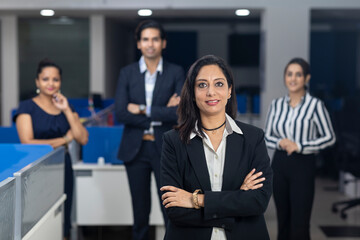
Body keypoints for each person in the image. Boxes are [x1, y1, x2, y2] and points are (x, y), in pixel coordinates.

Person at [160, 55, 273, 240]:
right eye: (202, 85)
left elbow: (258, 201)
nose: (211, 92)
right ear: (193, 93)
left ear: (229, 90)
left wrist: (197, 200)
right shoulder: (173, 142)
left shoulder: (253, 138)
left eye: (219, 84)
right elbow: (175, 211)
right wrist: (237, 199)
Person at [114, 20, 185, 240]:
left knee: (169, 208)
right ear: (138, 44)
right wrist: (161, 112)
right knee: (140, 211)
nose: (150, 44)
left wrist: (143, 109)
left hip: (166, 149)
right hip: (135, 150)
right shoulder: (127, 73)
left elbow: (179, 114)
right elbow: (121, 113)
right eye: (145, 39)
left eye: (155, 39)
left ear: (163, 43)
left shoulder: (175, 72)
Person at [13, 59, 89, 240]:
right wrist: (64, 139)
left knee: (62, 218)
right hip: (36, 171)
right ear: (37, 82)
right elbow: (27, 142)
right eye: (46, 79)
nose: (51, 84)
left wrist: (67, 111)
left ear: (60, 82)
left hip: (63, 168)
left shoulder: (66, 107)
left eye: (55, 80)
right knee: (38, 221)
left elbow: (83, 138)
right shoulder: (26, 107)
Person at [264, 57, 336, 240]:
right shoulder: (276, 105)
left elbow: (329, 137)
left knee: (300, 223)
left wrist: (300, 145)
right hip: (279, 165)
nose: (293, 78)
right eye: (289, 74)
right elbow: (267, 135)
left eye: (298, 74)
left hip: (303, 166)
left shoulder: (315, 106)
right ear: (285, 77)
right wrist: (281, 142)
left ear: (307, 78)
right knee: (283, 220)